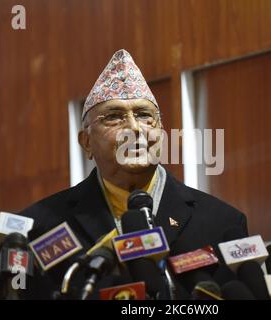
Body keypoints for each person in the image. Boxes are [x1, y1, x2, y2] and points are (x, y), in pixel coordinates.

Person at [18, 49, 248, 299]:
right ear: (86, 143)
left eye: (144, 116)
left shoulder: (222, 223)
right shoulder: (40, 227)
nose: (134, 128)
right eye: (114, 118)